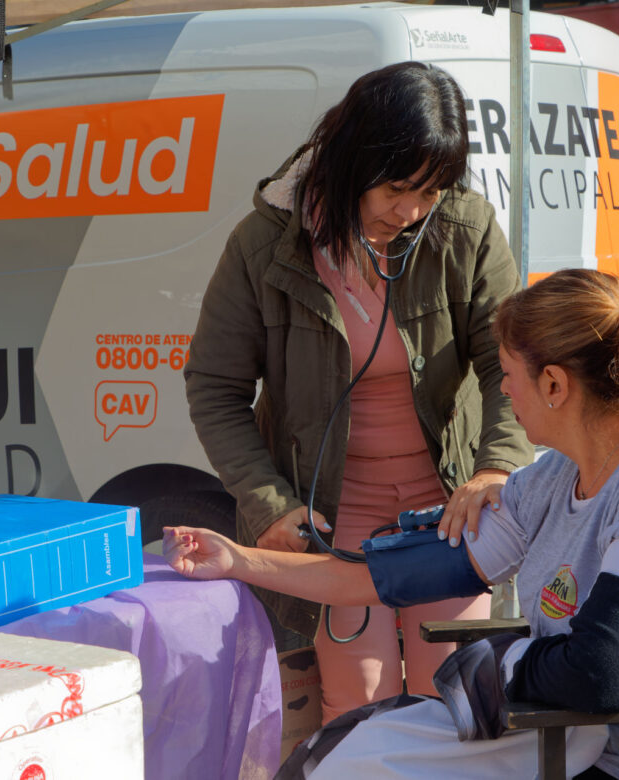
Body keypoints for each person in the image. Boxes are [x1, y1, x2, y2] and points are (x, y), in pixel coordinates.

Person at [168, 269, 619, 779]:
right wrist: (240, 561)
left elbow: (603, 675)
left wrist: (505, 660)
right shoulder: (554, 479)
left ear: (553, 384)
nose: (504, 392)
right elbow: (385, 579)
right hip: (550, 737)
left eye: (507, 375)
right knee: (335, 751)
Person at [183, 60, 532, 723]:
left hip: (449, 518)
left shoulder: (466, 227)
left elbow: (507, 358)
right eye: (397, 188)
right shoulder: (264, 244)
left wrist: (494, 468)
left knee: (458, 706)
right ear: (352, 160)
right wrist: (267, 504)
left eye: (431, 193)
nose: (411, 212)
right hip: (333, 526)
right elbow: (214, 387)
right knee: (357, 706)